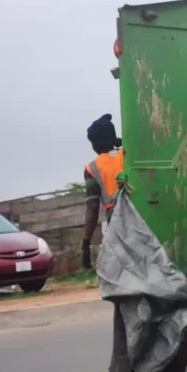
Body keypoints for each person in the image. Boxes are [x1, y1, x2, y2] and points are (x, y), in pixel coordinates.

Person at [82, 114, 124, 269]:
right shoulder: (128, 154)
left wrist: (86, 241)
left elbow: (92, 207)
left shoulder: (91, 168)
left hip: (117, 221)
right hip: (143, 214)